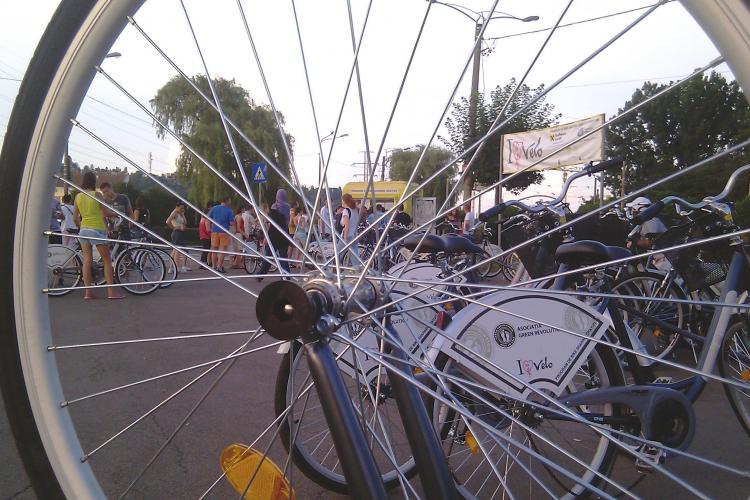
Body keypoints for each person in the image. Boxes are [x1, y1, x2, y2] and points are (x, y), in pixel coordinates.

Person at [73, 171, 124, 300]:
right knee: (107, 261)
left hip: (84, 230)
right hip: (97, 230)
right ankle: (111, 292)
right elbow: (105, 213)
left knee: (87, 261)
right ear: (93, 181)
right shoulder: (97, 195)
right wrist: (117, 214)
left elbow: (75, 218)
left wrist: (81, 225)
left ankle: (88, 293)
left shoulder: (78, 196)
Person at [257, 204, 291, 281]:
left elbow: (269, 226)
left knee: (269, 257)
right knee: (283, 258)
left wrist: (266, 238)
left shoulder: (271, 215)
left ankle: (261, 274)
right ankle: (286, 275)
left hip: (273, 238)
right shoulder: (283, 215)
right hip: (283, 238)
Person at [208, 196, 235, 273]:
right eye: (229, 201)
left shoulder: (214, 208)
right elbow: (231, 223)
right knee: (222, 250)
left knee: (214, 249)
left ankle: (214, 266)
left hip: (214, 231)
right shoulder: (229, 210)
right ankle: (219, 266)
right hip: (224, 232)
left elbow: (208, 217)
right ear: (227, 201)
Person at [166, 202, 190, 272]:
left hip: (180, 233)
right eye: (181, 208)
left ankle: (171, 268)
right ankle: (177, 267)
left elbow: (185, 222)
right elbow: (167, 221)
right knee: (177, 250)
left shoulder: (180, 213)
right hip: (177, 233)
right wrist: (174, 227)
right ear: (177, 207)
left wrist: (183, 215)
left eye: (183, 208)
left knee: (174, 251)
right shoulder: (175, 213)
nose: (182, 209)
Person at [340, 193, 361, 265]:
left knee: (338, 253)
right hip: (355, 235)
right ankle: (357, 269)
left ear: (344, 201)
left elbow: (347, 224)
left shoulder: (346, 211)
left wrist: (345, 237)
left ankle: (335, 268)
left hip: (347, 235)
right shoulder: (355, 210)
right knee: (354, 255)